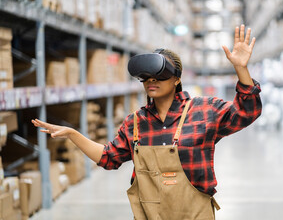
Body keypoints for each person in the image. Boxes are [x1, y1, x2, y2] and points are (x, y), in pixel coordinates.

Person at [32, 25, 262, 220]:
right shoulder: (136, 122)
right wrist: (74, 135)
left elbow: (246, 113)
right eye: (146, 77)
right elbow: (109, 158)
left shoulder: (204, 110)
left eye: (160, 76)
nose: (151, 81)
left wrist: (241, 68)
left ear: (177, 79)